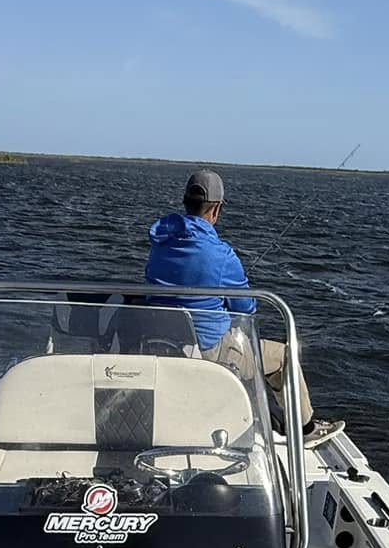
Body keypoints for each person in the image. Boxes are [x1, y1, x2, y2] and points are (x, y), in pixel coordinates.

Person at [143, 169, 342, 444]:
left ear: (185, 202)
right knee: (284, 356)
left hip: (160, 344)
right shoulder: (222, 255)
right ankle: (306, 430)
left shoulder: (159, 243)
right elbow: (245, 309)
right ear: (216, 209)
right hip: (206, 351)